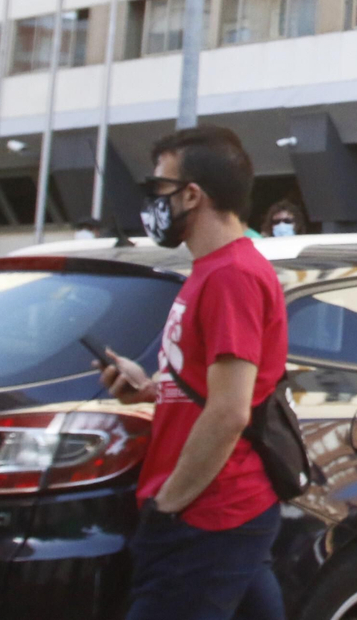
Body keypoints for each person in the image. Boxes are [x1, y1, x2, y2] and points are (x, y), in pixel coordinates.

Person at [96, 126, 288, 620]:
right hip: (219, 509)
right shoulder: (211, 270)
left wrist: (167, 506)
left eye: (157, 190)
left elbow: (228, 412)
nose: (151, 204)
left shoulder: (232, 276)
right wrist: (148, 389)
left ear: (192, 195)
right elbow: (211, 388)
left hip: (209, 512)